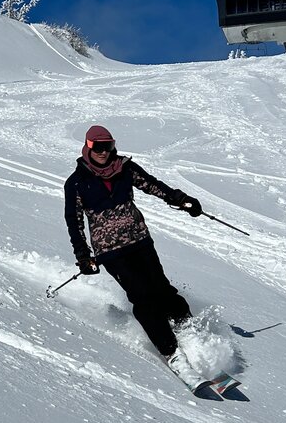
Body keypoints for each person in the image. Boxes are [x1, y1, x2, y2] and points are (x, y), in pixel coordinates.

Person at [63, 124, 203, 360]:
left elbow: (151, 185)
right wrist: (83, 256)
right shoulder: (76, 183)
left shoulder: (124, 168)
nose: (103, 152)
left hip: (140, 241)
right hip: (110, 252)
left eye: (108, 146)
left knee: (163, 291)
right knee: (142, 297)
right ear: (88, 147)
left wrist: (181, 199)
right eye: (98, 147)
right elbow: (74, 221)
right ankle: (172, 353)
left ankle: (194, 339)